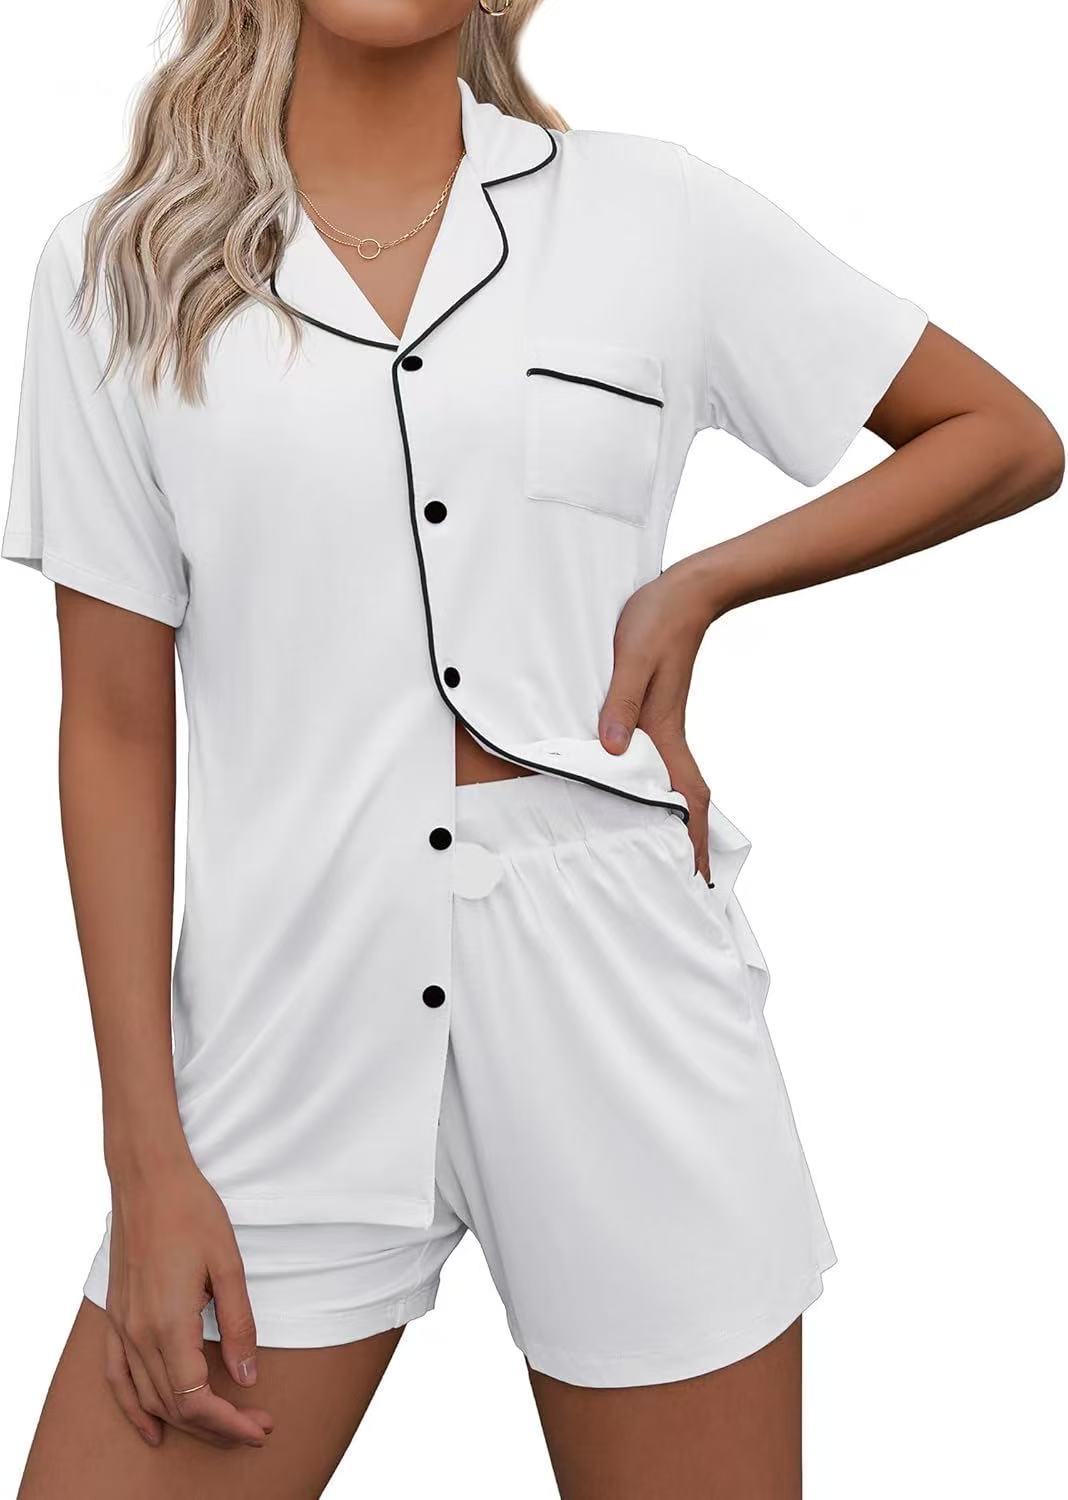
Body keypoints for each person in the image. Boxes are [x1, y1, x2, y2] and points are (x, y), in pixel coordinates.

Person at [4, 1, 1062, 1496]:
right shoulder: (119, 268)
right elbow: (115, 728)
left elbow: (1001, 434)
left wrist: (701, 585)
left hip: (617, 991)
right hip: (285, 1008)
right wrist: (144, 1155)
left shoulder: (649, 215)